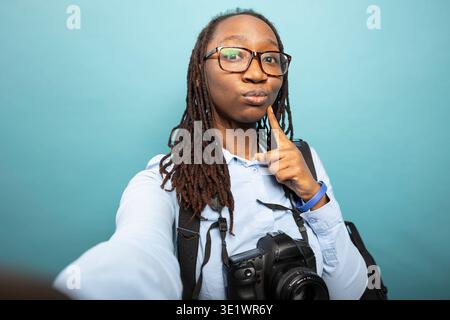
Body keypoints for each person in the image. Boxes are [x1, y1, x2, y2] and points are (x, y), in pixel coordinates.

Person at [53, 8, 368, 300]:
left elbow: (349, 292)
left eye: (270, 58)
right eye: (233, 55)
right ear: (199, 71)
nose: (257, 73)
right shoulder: (166, 180)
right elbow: (136, 253)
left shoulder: (304, 160)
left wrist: (314, 195)